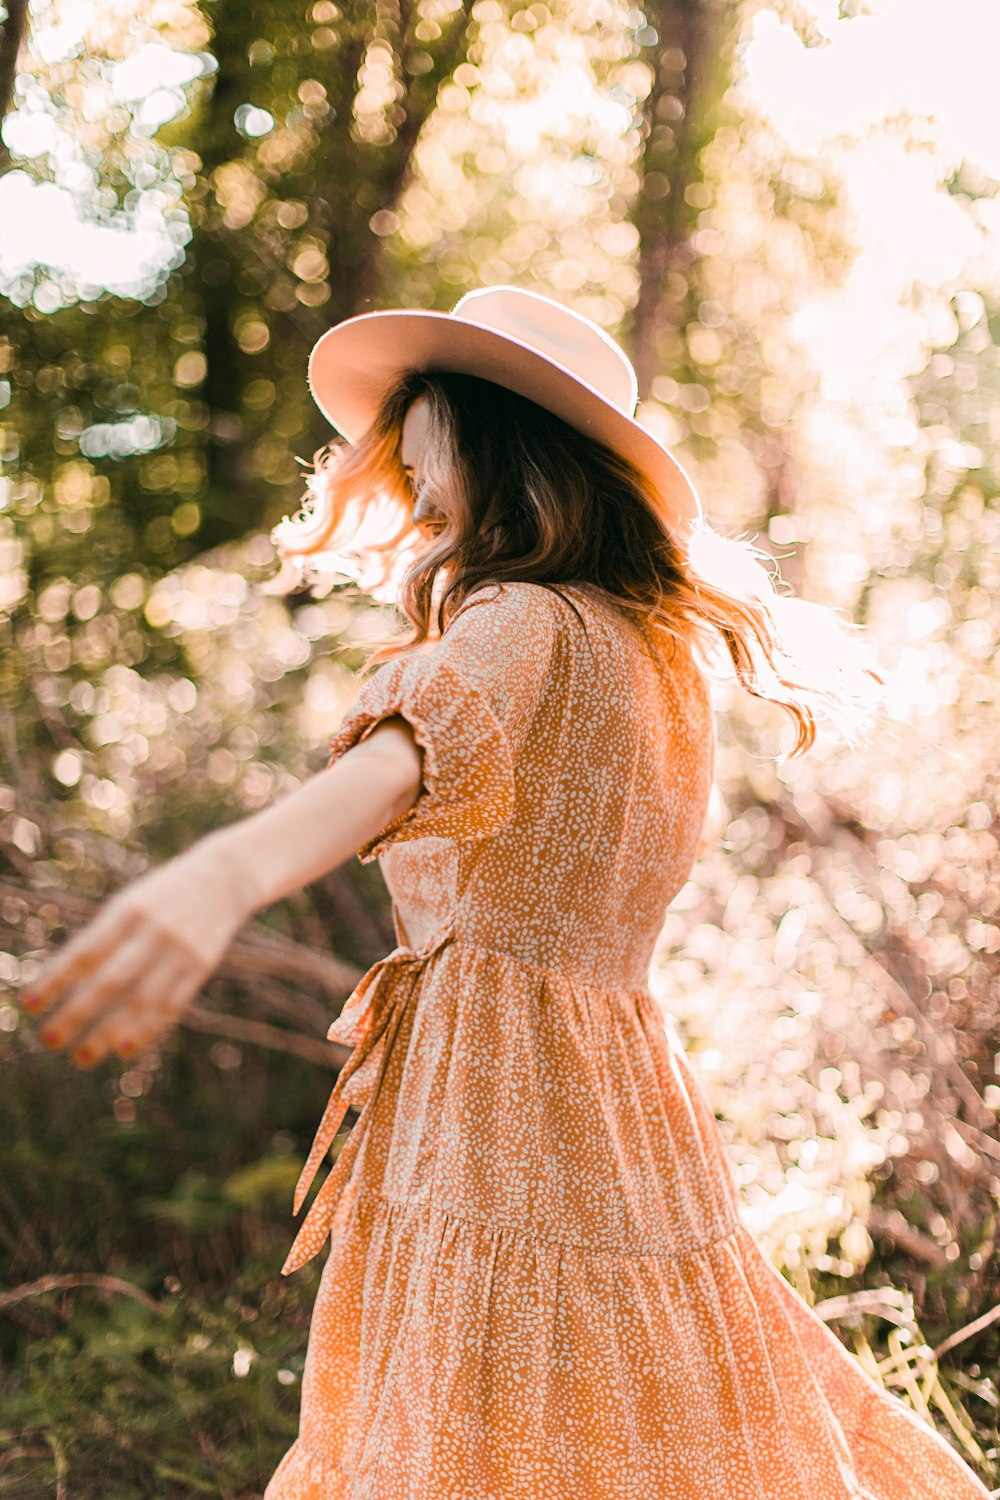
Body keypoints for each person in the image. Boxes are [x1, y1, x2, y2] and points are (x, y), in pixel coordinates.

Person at [20, 287, 990, 1499]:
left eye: (433, 482)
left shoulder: (518, 621)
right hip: (624, 1089)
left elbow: (398, 763)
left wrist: (223, 873)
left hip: (499, 1092)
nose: (424, 517)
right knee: (645, 1404)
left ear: (507, 460)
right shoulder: (654, 652)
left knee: (473, 1423)